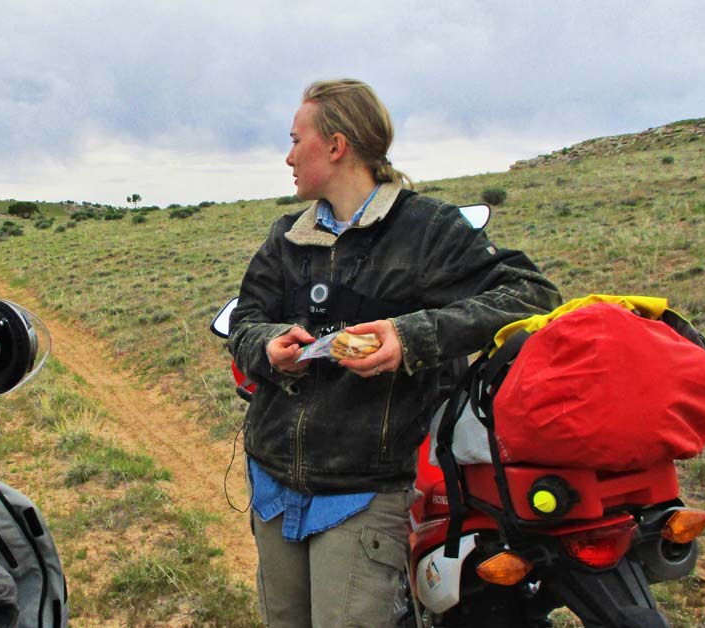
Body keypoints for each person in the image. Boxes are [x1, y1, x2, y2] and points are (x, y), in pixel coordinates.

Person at [228, 78, 560, 627]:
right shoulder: (288, 235)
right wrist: (268, 345)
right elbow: (244, 319)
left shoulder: (426, 229)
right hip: (274, 483)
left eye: (295, 140)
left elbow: (531, 295)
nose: (288, 156)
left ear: (335, 146)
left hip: (366, 492)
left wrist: (410, 337)